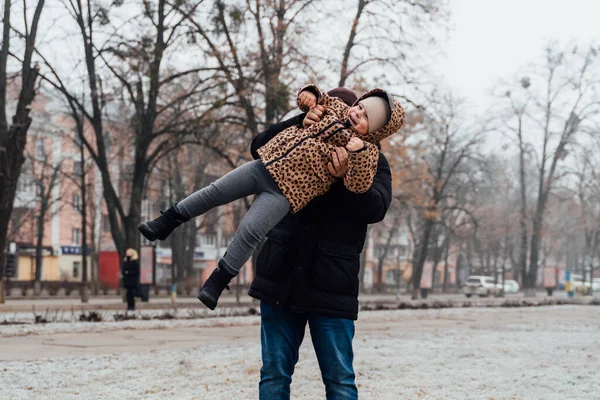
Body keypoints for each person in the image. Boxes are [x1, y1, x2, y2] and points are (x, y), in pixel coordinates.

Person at [138, 84, 405, 310]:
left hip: (287, 192)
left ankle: (217, 281)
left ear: (374, 132)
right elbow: (313, 98)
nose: (356, 114)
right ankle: (165, 222)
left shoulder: (367, 154)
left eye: (365, 117)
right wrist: (308, 100)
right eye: (358, 107)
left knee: (250, 230)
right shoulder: (331, 110)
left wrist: (355, 158)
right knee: (214, 191)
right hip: (265, 165)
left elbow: (362, 190)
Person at [248, 88, 393, 400]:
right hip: (280, 279)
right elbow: (258, 147)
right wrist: (301, 120)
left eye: (354, 112)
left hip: (332, 286)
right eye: (332, 109)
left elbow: (375, 209)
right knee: (273, 377)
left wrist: (346, 178)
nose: (343, 115)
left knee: (340, 382)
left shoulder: (372, 161)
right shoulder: (300, 134)